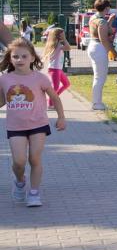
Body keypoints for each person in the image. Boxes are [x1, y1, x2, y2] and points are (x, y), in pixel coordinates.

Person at [0, 38, 66, 207]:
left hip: (38, 125)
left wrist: (61, 117)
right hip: (15, 127)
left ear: (32, 58)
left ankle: (34, 193)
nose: (19, 60)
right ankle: (20, 181)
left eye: (24, 56)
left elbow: (55, 98)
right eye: (15, 56)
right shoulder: (4, 79)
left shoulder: (40, 78)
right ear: (10, 59)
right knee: (19, 162)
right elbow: (1, 101)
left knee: (34, 158)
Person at [85, 0, 116, 110]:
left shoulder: (93, 17)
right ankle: (97, 103)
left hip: (93, 46)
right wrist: (114, 52)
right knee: (100, 77)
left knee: (98, 76)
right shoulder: (101, 21)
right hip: (99, 48)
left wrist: (110, 21)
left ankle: (96, 102)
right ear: (106, 8)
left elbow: (102, 30)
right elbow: (104, 39)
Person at [42, 28, 71, 105]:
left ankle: (54, 98)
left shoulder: (56, 44)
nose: (64, 36)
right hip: (54, 69)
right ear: (58, 36)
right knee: (55, 87)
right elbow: (68, 48)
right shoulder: (58, 45)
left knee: (66, 84)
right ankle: (51, 103)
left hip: (57, 69)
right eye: (63, 34)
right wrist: (64, 39)